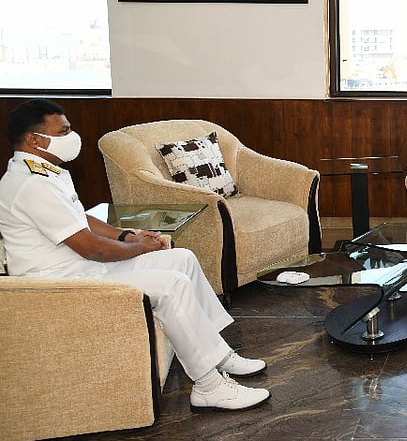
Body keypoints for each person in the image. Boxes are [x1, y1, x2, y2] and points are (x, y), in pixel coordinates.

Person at [0, 99, 269, 411]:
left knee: (182, 258)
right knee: (172, 286)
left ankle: (218, 354)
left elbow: (82, 220)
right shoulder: (31, 185)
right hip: (60, 284)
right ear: (34, 139)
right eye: (63, 131)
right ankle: (209, 386)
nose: (72, 135)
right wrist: (139, 247)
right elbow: (92, 247)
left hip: (79, 266)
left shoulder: (45, 172)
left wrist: (129, 236)